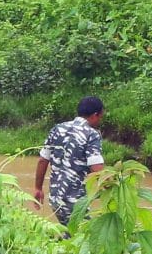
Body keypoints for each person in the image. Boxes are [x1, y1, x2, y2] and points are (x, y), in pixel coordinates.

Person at [34, 95, 108, 225]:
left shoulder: (58, 129)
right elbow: (97, 169)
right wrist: (111, 186)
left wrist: (38, 188)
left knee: (69, 234)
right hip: (75, 203)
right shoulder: (92, 134)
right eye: (101, 117)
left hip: (55, 199)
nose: (100, 121)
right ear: (95, 115)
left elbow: (42, 160)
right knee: (84, 238)